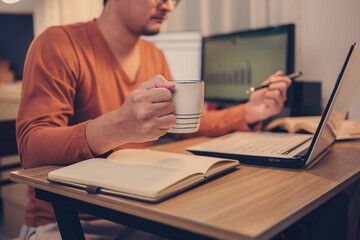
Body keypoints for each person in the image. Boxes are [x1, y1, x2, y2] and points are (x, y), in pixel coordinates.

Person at [16, 0, 291, 239]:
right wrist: (119, 126)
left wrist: (246, 113)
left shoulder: (153, 55)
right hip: (69, 219)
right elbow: (31, 147)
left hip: (139, 210)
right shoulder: (58, 43)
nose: (169, 6)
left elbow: (180, 125)